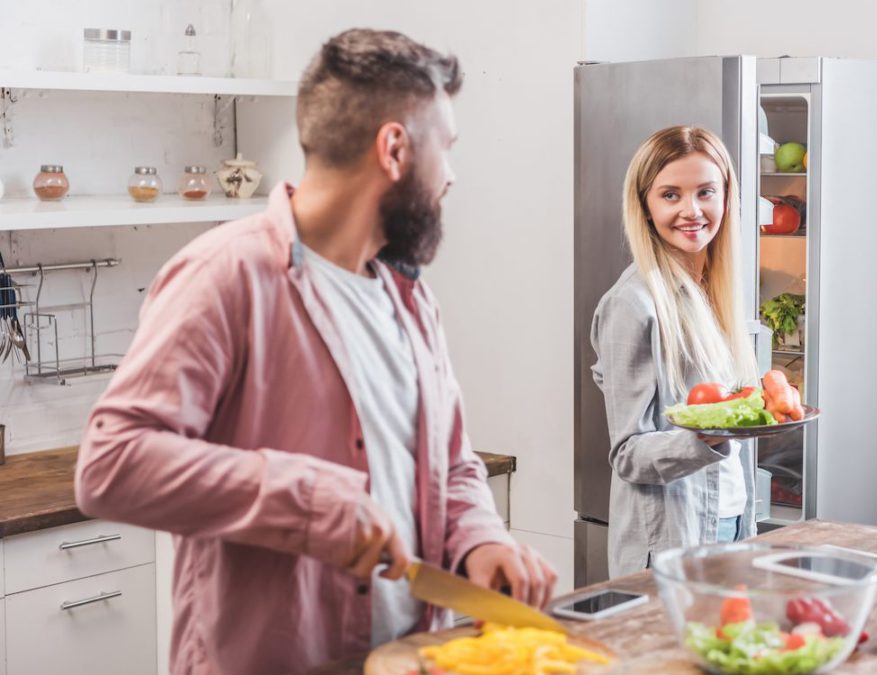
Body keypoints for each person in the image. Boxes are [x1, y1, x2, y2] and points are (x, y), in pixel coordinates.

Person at [74, 28, 556, 675]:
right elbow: (111, 462)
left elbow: (450, 462)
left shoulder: (409, 297)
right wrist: (312, 501)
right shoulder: (226, 274)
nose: (452, 176)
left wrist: (481, 538)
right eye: (447, 149)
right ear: (394, 149)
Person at [591, 125, 760, 578]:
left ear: (726, 197)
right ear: (645, 206)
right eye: (670, 195)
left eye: (706, 192)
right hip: (668, 543)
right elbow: (627, 453)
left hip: (731, 524)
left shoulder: (716, 292)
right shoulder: (633, 303)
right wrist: (708, 437)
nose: (692, 211)